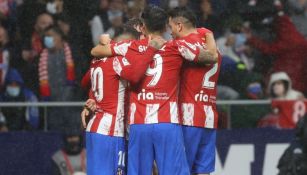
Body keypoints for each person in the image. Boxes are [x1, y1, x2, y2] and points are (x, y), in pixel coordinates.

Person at [91, 5, 217, 175]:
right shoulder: (177, 47)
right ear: (166, 26)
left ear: (142, 27)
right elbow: (211, 56)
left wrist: (106, 43)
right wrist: (208, 35)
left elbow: (96, 51)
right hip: (167, 122)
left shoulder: (129, 46)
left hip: (139, 124)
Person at [82, 18, 165, 175]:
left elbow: (86, 80)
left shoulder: (97, 60)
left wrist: (92, 98)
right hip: (113, 129)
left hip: (102, 126)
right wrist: (150, 51)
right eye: (122, 45)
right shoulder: (120, 60)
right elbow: (134, 76)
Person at [168, 7, 219, 175]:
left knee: (181, 169)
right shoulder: (212, 47)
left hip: (188, 115)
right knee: (203, 171)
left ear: (179, 26)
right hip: (209, 115)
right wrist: (209, 34)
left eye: (171, 27)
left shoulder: (181, 45)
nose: (170, 33)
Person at [38, 25, 79, 132]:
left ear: (60, 36)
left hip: (73, 105)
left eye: (50, 36)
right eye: (45, 37)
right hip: (52, 107)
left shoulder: (74, 53)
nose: (47, 39)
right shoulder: (41, 57)